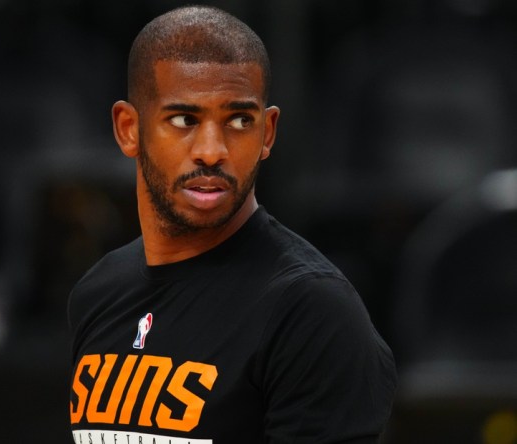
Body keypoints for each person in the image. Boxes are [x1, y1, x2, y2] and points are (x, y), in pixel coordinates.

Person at [67, 5, 396, 444]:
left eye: (239, 121)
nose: (211, 150)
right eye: (184, 120)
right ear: (129, 128)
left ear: (268, 132)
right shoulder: (98, 293)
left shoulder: (311, 313)